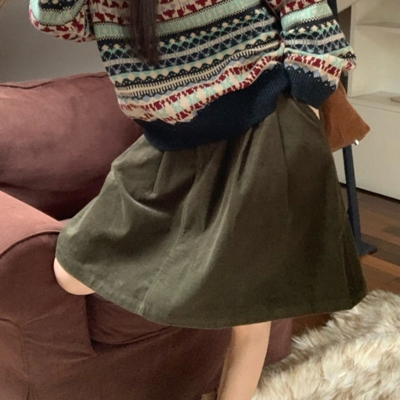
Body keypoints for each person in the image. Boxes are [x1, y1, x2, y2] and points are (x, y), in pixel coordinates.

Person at [29, 1, 367, 399]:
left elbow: (307, 14)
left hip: (264, 128)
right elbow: (58, 21)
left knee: (250, 318)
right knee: (71, 272)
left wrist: (304, 97)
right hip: (171, 145)